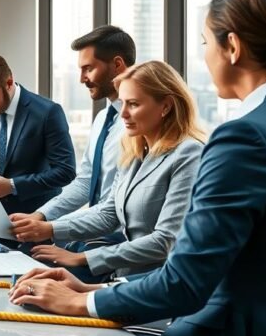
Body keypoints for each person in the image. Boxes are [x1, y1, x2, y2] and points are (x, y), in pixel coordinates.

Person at [10, 0, 266, 336]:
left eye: (205, 43)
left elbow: (186, 280)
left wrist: (83, 300)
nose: (205, 56)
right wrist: (95, 286)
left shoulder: (243, 136)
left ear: (234, 47)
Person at [24, 61, 205, 281]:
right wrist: (48, 228)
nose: (123, 114)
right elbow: (108, 214)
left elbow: (164, 241)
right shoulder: (133, 150)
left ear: (166, 106)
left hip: (161, 283)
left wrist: (82, 257)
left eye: (134, 104)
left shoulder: (189, 154)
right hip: (125, 276)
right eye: (123, 103)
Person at [10, 26, 135, 244]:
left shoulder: (137, 125)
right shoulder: (102, 120)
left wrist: (49, 228)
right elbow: (86, 182)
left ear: (117, 65)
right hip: (91, 234)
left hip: (119, 240)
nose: (81, 78)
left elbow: (114, 208)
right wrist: (40, 216)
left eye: (88, 69)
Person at [0, 54, 77, 215]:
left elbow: (65, 171)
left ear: (9, 83)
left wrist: (12, 185)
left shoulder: (47, 112)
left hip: (35, 220)